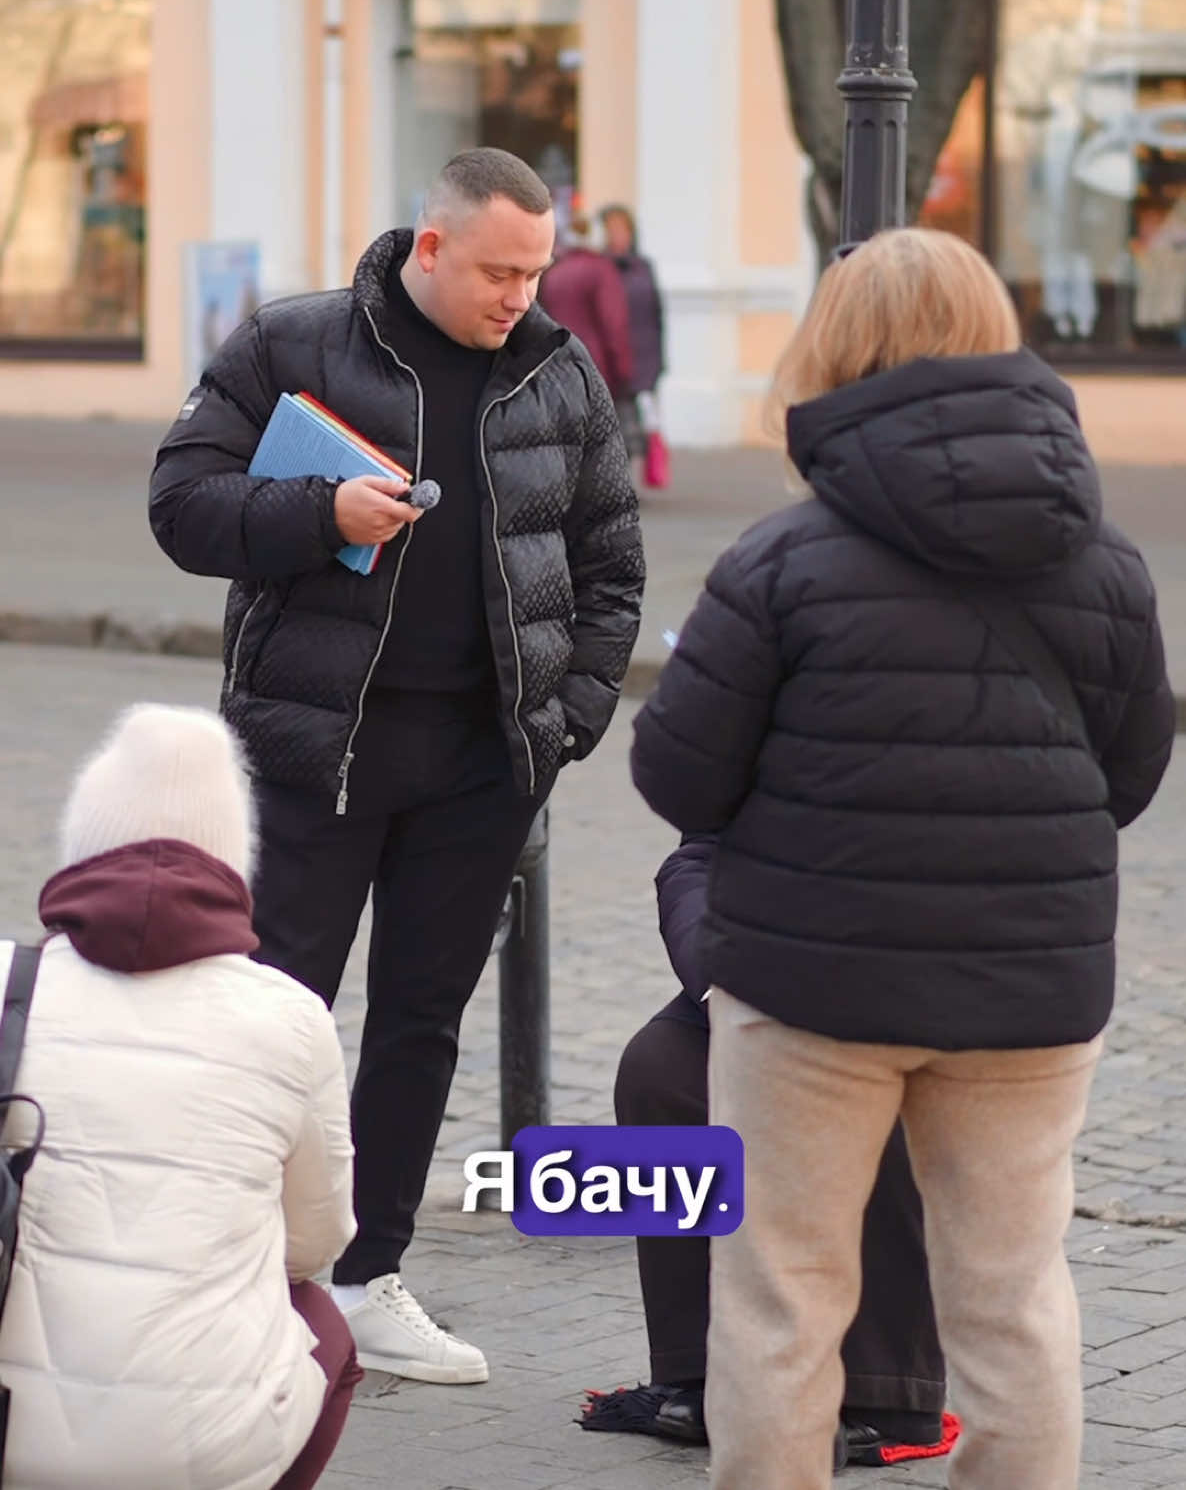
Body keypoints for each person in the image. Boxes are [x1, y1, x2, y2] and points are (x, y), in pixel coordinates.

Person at [630, 228, 1176, 1490]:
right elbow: (1132, 776)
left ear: (837, 348)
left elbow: (676, 780)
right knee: (1013, 1306)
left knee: (781, 1305)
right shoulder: (1105, 561)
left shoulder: (780, 559)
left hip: (815, 1004)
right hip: (1029, 1000)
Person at [149, 147, 645, 1384]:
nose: (517, 296)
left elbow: (612, 565)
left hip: (482, 766)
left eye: (535, 271)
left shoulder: (557, 370)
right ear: (429, 247)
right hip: (315, 751)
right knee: (274, 1015)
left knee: (420, 1026)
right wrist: (320, 514)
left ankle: (369, 1276)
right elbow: (180, 505)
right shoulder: (297, 344)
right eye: (495, 271)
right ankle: (229, 1273)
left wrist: (567, 720)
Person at [0, 703, 359, 1490]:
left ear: (81, 842)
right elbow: (316, 1242)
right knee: (325, 1327)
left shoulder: (6, 984)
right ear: (235, 862)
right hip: (202, 1454)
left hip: (8, 1435)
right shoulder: (292, 1014)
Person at [579, 835, 957, 1470]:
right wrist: (719, 976)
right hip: (763, 976)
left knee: (889, 1093)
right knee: (660, 1070)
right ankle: (703, 1372)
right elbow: (695, 858)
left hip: (908, 984)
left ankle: (889, 1392)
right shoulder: (761, 734)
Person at [538, 209, 643, 460]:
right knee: (601, 441)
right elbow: (613, 325)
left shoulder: (554, 272)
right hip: (596, 366)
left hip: (558, 364)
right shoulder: (601, 270)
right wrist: (624, 371)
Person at [599, 203, 665, 400]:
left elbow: (657, 314)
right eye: (612, 230)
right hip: (611, 368)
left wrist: (659, 361)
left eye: (623, 229)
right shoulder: (600, 269)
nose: (618, 236)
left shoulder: (643, 267)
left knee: (646, 425)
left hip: (645, 360)